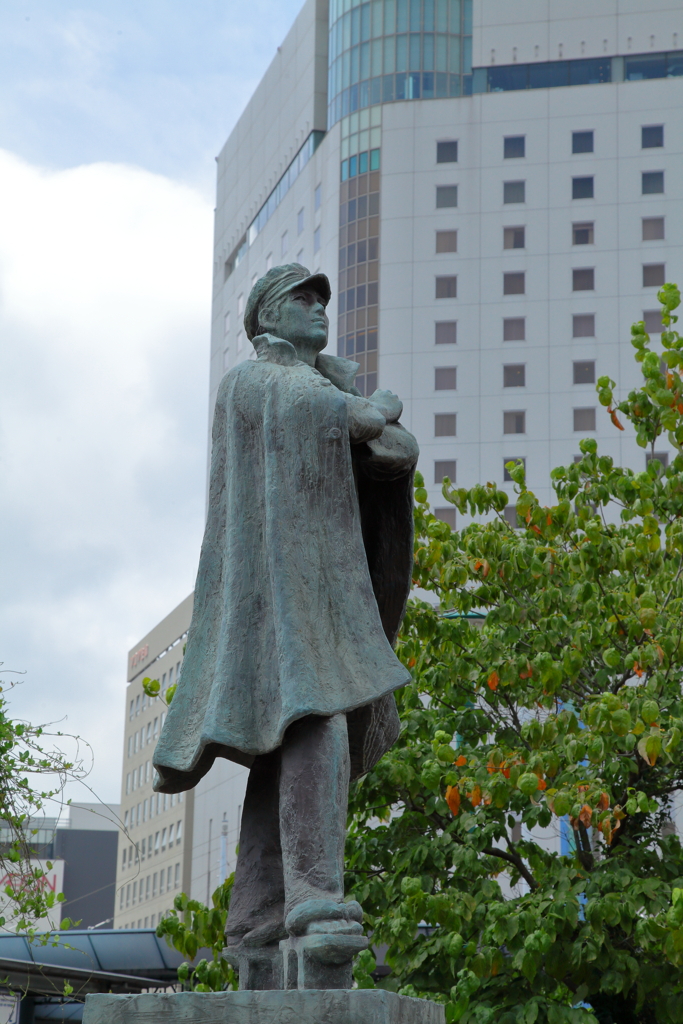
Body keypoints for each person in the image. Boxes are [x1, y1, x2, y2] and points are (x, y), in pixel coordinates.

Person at [153, 263, 418, 959]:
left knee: (293, 738)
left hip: (318, 590)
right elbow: (343, 418)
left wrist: (368, 417)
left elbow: (393, 455)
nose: (319, 309)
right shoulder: (255, 379)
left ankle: (258, 911)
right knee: (317, 718)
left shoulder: (315, 383)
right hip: (275, 597)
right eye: (302, 299)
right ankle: (312, 894)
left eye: (321, 300)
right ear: (268, 317)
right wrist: (373, 407)